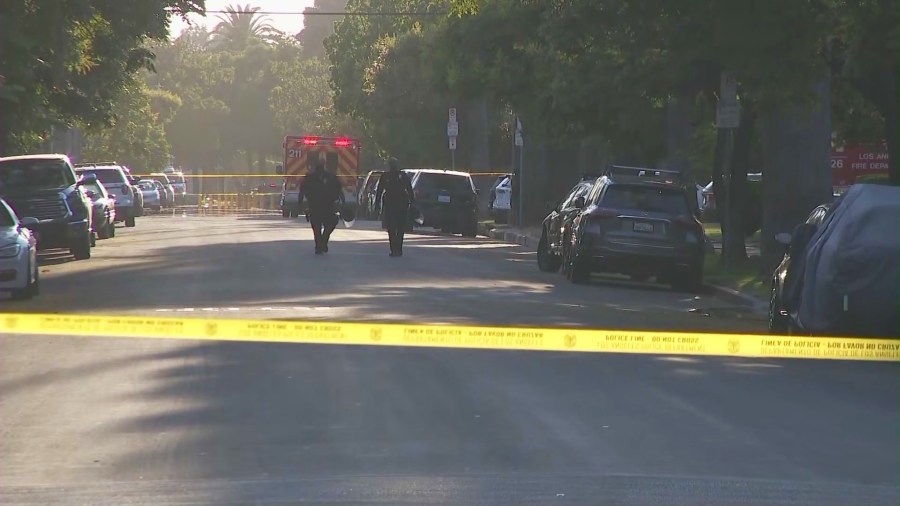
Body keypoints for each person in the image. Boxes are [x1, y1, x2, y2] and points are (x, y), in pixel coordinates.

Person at [299, 159, 344, 254]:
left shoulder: (309, 178)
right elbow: (340, 191)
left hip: (317, 206)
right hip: (326, 206)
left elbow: (302, 191)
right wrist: (342, 203)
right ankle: (321, 243)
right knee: (326, 225)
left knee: (317, 227)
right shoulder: (331, 177)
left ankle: (321, 244)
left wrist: (300, 204)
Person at [375, 158, 415, 257]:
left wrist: (377, 205)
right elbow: (379, 191)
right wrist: (412, 202)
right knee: (396, 228)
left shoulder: (393, 176)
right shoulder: (389, 176)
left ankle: (396, 249)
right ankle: (396, 249)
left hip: (397, 204)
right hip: (395, 204)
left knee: (395, 228)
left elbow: (379, 191)